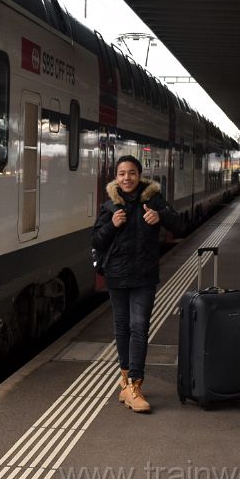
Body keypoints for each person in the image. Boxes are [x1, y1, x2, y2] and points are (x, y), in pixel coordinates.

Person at [92, 155, 183, 413]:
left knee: (139, 326)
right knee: (122, 328)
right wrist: (112, 225)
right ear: (116, 177)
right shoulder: (110, 205)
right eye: (122, 173)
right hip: (117, 276)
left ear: (139, 175)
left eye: (132, 173)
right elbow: (96, 241)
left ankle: (135, 385)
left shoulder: (152, 200)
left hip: (143, 276)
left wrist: (161, 216)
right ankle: (125, 383)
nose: (127, 178)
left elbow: (179, 224)